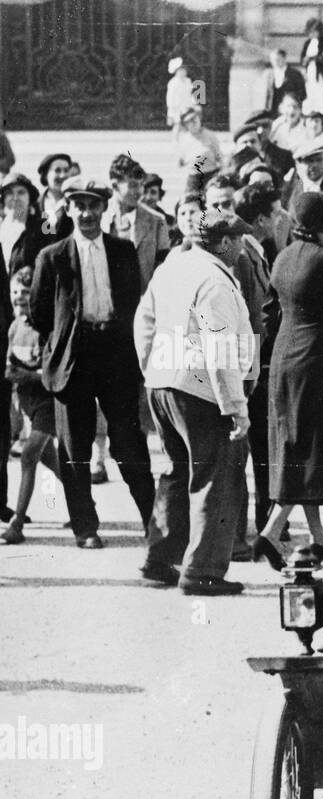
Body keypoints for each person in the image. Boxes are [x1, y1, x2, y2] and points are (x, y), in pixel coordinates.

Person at [135, 208, 254, 594]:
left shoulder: (173, 267)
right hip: (200, 390)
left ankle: (159, 559)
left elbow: (144, 322)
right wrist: (235, 407)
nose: (241, 245)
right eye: (237, 238)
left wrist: (153, 368)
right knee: (215, 478)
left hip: (163, 382)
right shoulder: (215, 280)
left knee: (174, 472)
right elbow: (219, 347)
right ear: (222, 243)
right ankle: (201, 571)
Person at [30, 177, 153, 547]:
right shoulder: (51, 257)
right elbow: (39, 313)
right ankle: (85, 527)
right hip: (74, 358)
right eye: (79, 206)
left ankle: (155, 522)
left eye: (93, 205)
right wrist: (67, 338)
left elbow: (135, 303)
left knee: (129, 441)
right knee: (75, 448)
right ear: (68, 209)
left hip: (116, 355)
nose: (86, 213)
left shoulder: (122, 250)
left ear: (105, 208)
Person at [256, 193, 323, 570]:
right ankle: (270, 532)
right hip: (317, 362)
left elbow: (271, 313)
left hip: (284, 358)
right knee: (312, 453)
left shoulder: (284, 255)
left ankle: (320, 543)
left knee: (299, 449)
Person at [2, 266, 63, 544]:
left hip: (46, 402)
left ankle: (17, 524)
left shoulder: (44, 328)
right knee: (54, 461)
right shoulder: (15, 327)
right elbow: (10, 364)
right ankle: (83, 505)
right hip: (26, 402)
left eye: (25, 293)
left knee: (28, 456)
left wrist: (27, 376)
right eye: (15, 292)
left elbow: (53, 373)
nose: (18, 298)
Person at [102, 155, 170, 289]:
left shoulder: (157, 221)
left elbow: (163, 268)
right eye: (132, 185)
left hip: (142, 302)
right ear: (115, 185)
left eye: (141, 185)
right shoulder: (99, 216)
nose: (138, 192)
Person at [176, 106, 222, 188]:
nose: (194, 122)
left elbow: (219, 157)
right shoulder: (183, 139)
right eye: (189, 121)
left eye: (195, 118)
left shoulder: (210, 135)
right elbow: (180, 162)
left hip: (211, 176)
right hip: (193, 179)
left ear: (199, 118)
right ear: (185, 125)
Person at [263, 48, 307, 116]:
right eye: (273, 60)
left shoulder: (294, 74)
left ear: (284, 59)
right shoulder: (269, 74)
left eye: (278, 59)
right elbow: (267, 95)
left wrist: (293, 105)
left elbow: (303, 94)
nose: (275, 62)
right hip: (272, 111)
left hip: (290, 110)